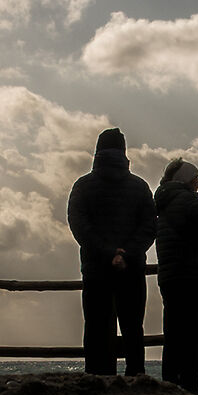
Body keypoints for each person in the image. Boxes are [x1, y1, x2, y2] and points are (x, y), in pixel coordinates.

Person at [66, 128, 155, 375]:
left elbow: (79, 225)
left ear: (97, 152)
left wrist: (107, 252)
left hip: (96, 267)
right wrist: (125, 253)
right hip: (132, 266)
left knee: (96, 324)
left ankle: (98, 375)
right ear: (124, 153)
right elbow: (149, 226)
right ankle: (135, 374)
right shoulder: (140, 186)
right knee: (132, 325)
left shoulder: (83, 185)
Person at [153, 159, 198, 395]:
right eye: (197, 177)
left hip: (169, 274)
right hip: (191, 275)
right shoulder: (186, 199)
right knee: (192, 332)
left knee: (173, 331)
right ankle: (190, 383)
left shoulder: (163, 202)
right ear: (187, 179)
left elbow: (186, 234)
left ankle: (170, 383)